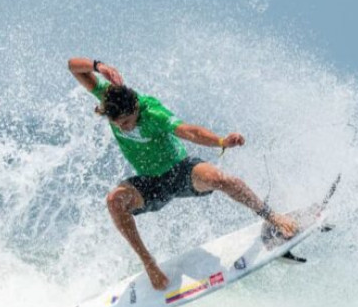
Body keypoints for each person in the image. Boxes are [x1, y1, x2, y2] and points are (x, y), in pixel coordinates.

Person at [68, 57, 298, 291]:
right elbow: (73, 67)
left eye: (127, 122)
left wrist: (221, 141)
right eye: (117, 124)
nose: (123, 127)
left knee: (221, 179)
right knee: (114, 201)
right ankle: (149, 263)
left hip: (180, 171)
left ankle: (272, 217)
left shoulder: (152, 113)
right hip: (149, 183)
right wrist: (99, 66)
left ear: (135, 108)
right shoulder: (111, 98)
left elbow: (190, 131)